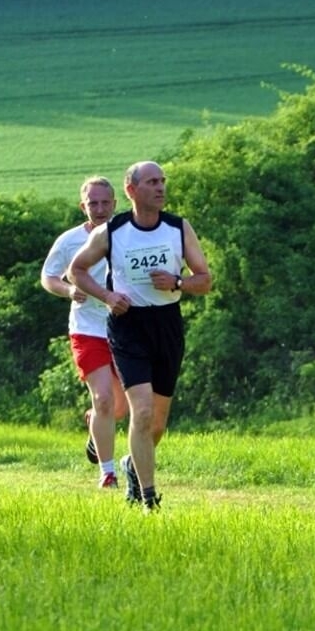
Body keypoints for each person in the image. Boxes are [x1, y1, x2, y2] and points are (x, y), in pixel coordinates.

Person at [69, 160, 212, 511]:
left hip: (166, 326)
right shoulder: (112, 231)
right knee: (142, 412)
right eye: (151, 182)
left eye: (162, 181)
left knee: (157, 423)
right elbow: (76, 270)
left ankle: (134, 465)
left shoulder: (178, 228)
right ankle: (149, 498)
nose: (161, 187)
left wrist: (178, 282)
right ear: (132, 190)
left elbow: (205, 280)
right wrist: (107, 296)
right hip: (128, 326)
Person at [41, 175, 128, 489]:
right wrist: (67, 291)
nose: (100, 208)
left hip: (123, 328)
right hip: (86, 329)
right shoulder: (69, 241)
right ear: (83, 206)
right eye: (93, 203)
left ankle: (95, 429)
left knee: (121, 407)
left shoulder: (128, 234)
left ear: (116, 204)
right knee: (103, 399)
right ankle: (107, 472)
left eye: (106, 203)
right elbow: (48, 277)